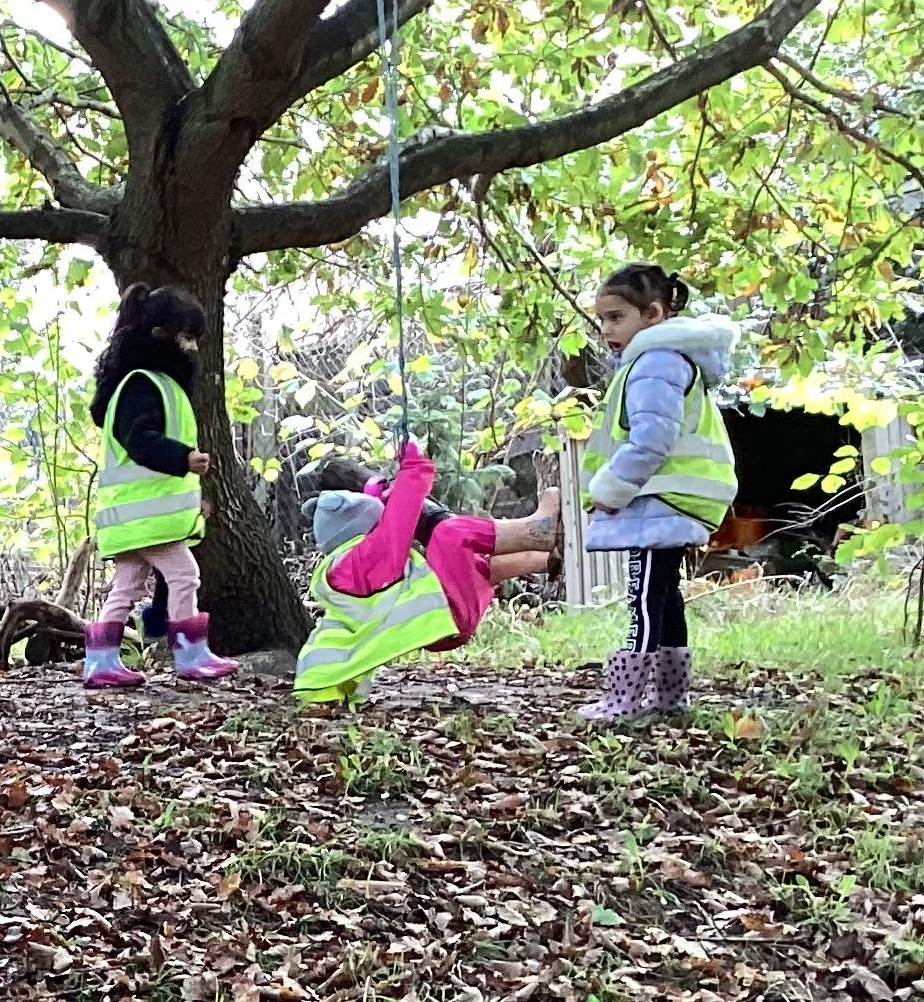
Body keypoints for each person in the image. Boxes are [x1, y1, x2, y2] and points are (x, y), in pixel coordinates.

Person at [579, 263, 737, 723]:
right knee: (664, 594)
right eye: (602, 320)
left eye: (616, 317)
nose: (607, 330)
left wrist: (611, 488)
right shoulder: (662, 360)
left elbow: (651, 440)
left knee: (645, 596)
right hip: (673, 499)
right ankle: (670, 696)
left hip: (661, 497)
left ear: (652, 314)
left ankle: (624, 699)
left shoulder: (655, 363)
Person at [294, 444, 560, 706]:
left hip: (441, 624)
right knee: (449, 534)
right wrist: (413, 464)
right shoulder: (362, 559)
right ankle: (537, 530)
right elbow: (402, 511)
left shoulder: (342, 570)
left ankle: (546, 560)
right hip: (448, 615)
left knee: (469, 565)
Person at [82, 285, 236, 690]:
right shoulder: (141, 386)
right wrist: (183, 458)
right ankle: (190, 654)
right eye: (187, 337)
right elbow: (140, 440)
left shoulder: (148, 384)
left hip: (133, 519)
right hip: (143, 519)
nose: (193, 349)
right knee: (185, 574)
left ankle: (100, 660)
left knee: (126, 586)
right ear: (160, 335)